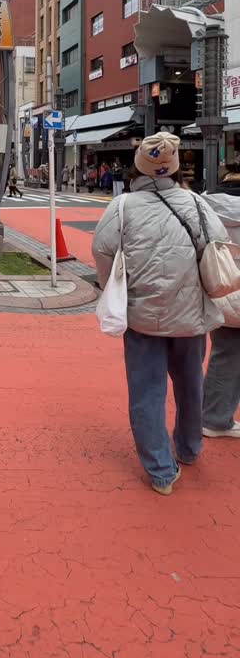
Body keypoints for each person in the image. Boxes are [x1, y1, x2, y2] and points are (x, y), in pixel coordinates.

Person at [92, 132, 228, 495]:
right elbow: (217, 244)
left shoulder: (122, 207)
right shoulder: (196, 203)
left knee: (146, 392)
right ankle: (189, 448)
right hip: (191, 315)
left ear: (138, 167)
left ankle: (161, 472)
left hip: (142, 316)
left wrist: (113, 287)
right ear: (176, 168)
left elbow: (102, 251)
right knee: (190, 384)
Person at [202, 165, 240, 439]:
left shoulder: (205, 206)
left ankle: (216, 416)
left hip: (220, 289)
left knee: (224, 352)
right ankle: (215, 418)